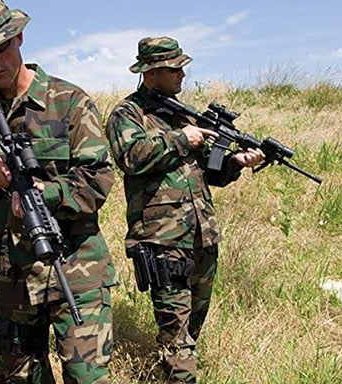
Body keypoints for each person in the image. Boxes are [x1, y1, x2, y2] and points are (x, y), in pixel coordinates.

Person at [0, 1, 116, 382]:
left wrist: (44, 192)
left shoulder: (69, 103)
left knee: (87, 377)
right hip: (7, 283)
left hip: (74, 270)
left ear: (19, 37)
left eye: (0, 47)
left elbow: (98, 180)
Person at [104, 36, 265, 384]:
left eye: (182, 68)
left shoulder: (181, 115)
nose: (182, 75)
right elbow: (130, 158)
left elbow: (211, 171)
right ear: (151, 72)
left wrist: (237, 161)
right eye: (174, 69)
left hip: (202, 235)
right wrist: (182, 139)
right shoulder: (127, 114)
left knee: (192, 324)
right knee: (176, 333)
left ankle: (172, 368)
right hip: (162, 241)